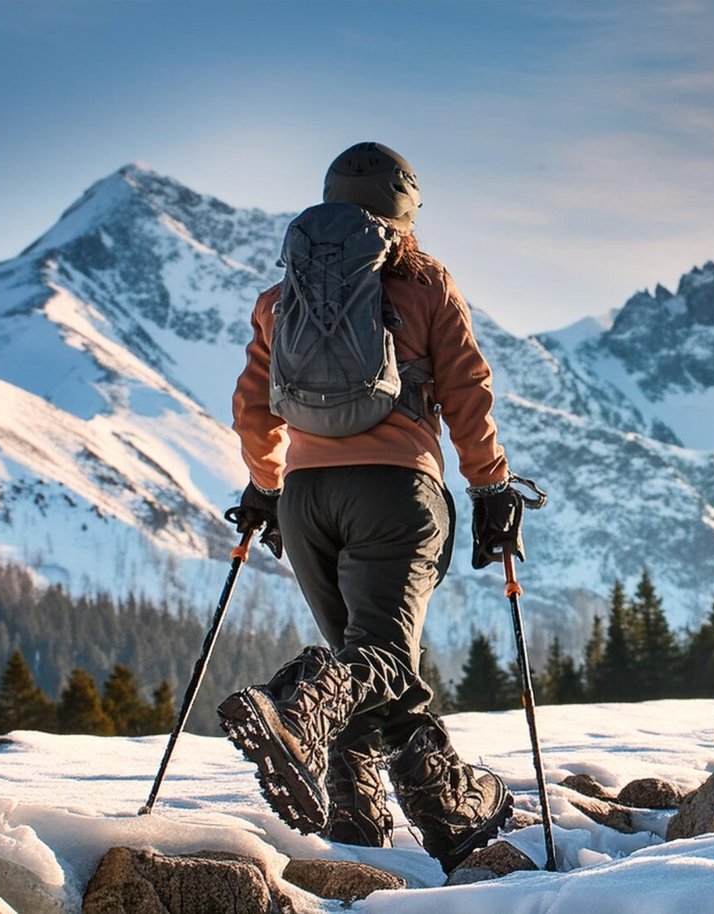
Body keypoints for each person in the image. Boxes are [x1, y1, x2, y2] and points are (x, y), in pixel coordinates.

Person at [220, 142, 527, 873]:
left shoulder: (281, 296)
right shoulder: (423, 282)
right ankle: (297, 707)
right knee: (383, 656)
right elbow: (466, 391)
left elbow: (252, 406)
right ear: (405, 212)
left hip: (305, 500)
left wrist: (265, 486)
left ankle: (368, 821)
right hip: (394, 492)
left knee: (365, 658)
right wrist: (490, 488)